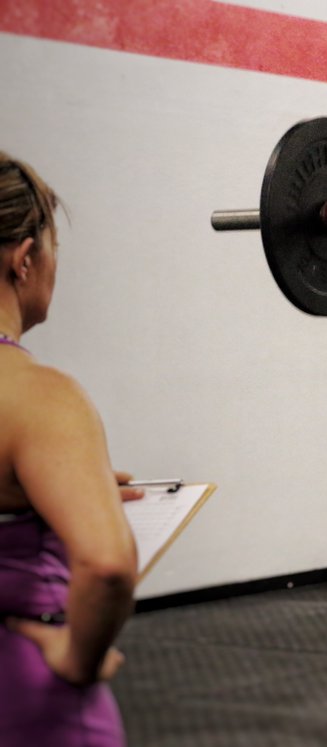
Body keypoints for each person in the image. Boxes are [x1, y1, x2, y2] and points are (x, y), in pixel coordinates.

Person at [0, 152, 143, 746]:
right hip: (26, 699)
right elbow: (107, 567)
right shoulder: (39, 396)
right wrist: (76, 657)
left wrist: (54, 489)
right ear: (25, 259)